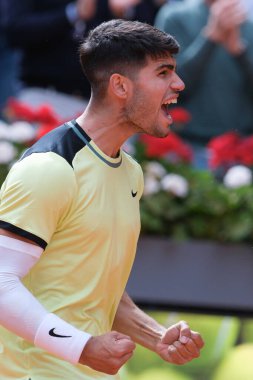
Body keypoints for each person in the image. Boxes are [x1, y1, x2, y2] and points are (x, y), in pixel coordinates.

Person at [0, 19, 204, 379]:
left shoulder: (130, 173)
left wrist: (155, 336)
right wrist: (81, 346)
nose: (178, 84)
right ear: (120, 86)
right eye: (163, 72)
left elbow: (92, 287)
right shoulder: (49, 169)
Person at [155, 0, 253, 167]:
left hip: (243, 150)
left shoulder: (247, 24)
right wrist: (210, 38)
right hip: (189, 147)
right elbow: (167, 85)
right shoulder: (174, 16)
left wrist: (239, 53)